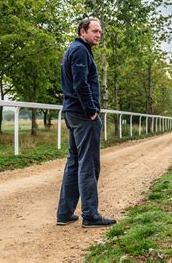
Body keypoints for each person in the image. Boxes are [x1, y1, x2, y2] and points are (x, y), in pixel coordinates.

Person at [57, 18, 116, 228]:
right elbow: (81, 84)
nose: (98, 35)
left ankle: (64, 213)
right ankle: (90, 215)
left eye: (100, 31)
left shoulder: (73, 49)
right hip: (82, 115)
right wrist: (91, 110)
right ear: (83, 31)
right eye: (95, 31)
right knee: (88, 164)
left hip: (71, 113)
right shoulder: (80, 51)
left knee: (74, 162)